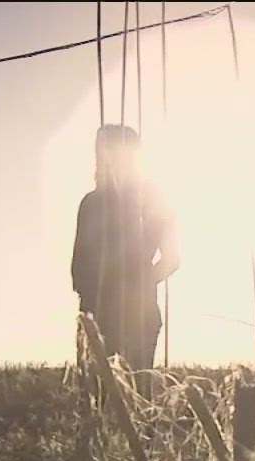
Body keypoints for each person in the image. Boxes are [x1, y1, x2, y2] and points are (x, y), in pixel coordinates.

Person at [72, 125, 178, 389]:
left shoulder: (152, 197)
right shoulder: (92, 202)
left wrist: (137, 283)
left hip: (136, 313)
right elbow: (78, 267)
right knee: (97, 398)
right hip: (97, 315)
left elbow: (172, 258)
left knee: (136, 396)